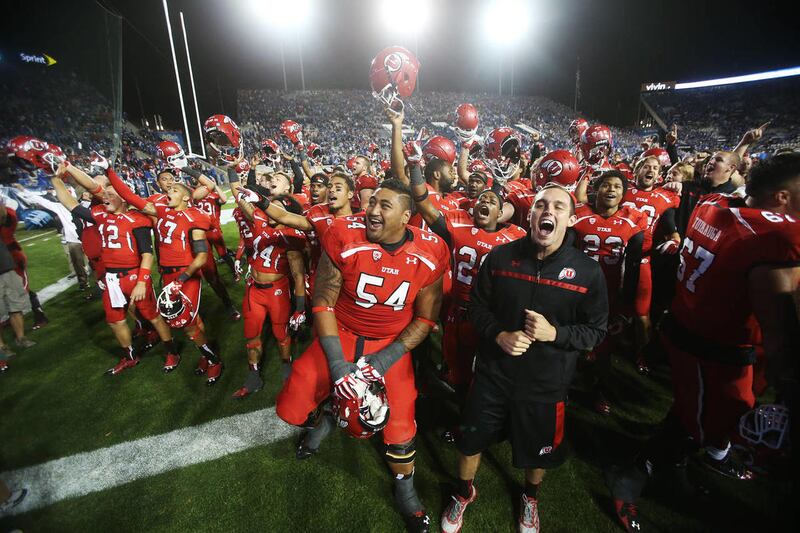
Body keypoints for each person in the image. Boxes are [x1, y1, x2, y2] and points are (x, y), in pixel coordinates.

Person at [607, 153, 800, 532]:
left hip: (688, 326)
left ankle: (669, 467)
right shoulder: (774, 237)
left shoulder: (714, 203)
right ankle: (634, 472)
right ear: (781, 197)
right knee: (708, 422)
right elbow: (780, 330)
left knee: (692, 414)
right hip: (714, 347)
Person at [276, 180, 448, 532]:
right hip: (341, 331)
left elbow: (426, 319)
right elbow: (323, 302)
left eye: (384, 206)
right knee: (292, 407)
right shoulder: (343, 233)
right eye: (372, 203)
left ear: (406, 216)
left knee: (400, 426)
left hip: (390, 342)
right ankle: (326, 417)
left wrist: (384, 360)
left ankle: (405, 491)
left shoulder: (431, 251)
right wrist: (338, 365)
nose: (371, 210)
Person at [441, 185, 608, 533]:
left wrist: (555, 334)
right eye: (541, 205)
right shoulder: (500, 258)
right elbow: (477, 307)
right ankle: (463, 491)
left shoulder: (588, 272)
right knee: (470, 440)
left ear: (571, 219)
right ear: (530, 215)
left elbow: (595, 331)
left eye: (558, 206)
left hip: (546, 384)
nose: (548, 211)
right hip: (492, 375)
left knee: (538, 451)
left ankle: (530, 497)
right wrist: (499, 335)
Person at [50, 170, 177, 375]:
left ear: (124, 199)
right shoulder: (100, 215)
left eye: (111, 195)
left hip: (133, 275)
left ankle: (172, 352)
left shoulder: (137, 219)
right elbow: (70, 203)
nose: (105, 198)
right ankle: (130, 356)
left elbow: (147, 254)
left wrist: (142, 282)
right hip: (111, 278)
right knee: (115, 320)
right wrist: (55, 179)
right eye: (105, 195)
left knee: (153, 316)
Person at [572, 171, 645, 414]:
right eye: (606, 185)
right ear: (597, 189)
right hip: (576, 290)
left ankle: (599, 391)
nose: (611, 189)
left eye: (617, 186)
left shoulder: (632, 222)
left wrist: (627, 300)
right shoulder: (579, 214)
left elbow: (633, 264)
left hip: (609, 293)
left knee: (604, 348)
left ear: (623, 194)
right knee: (568, 341)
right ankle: (562, 384)